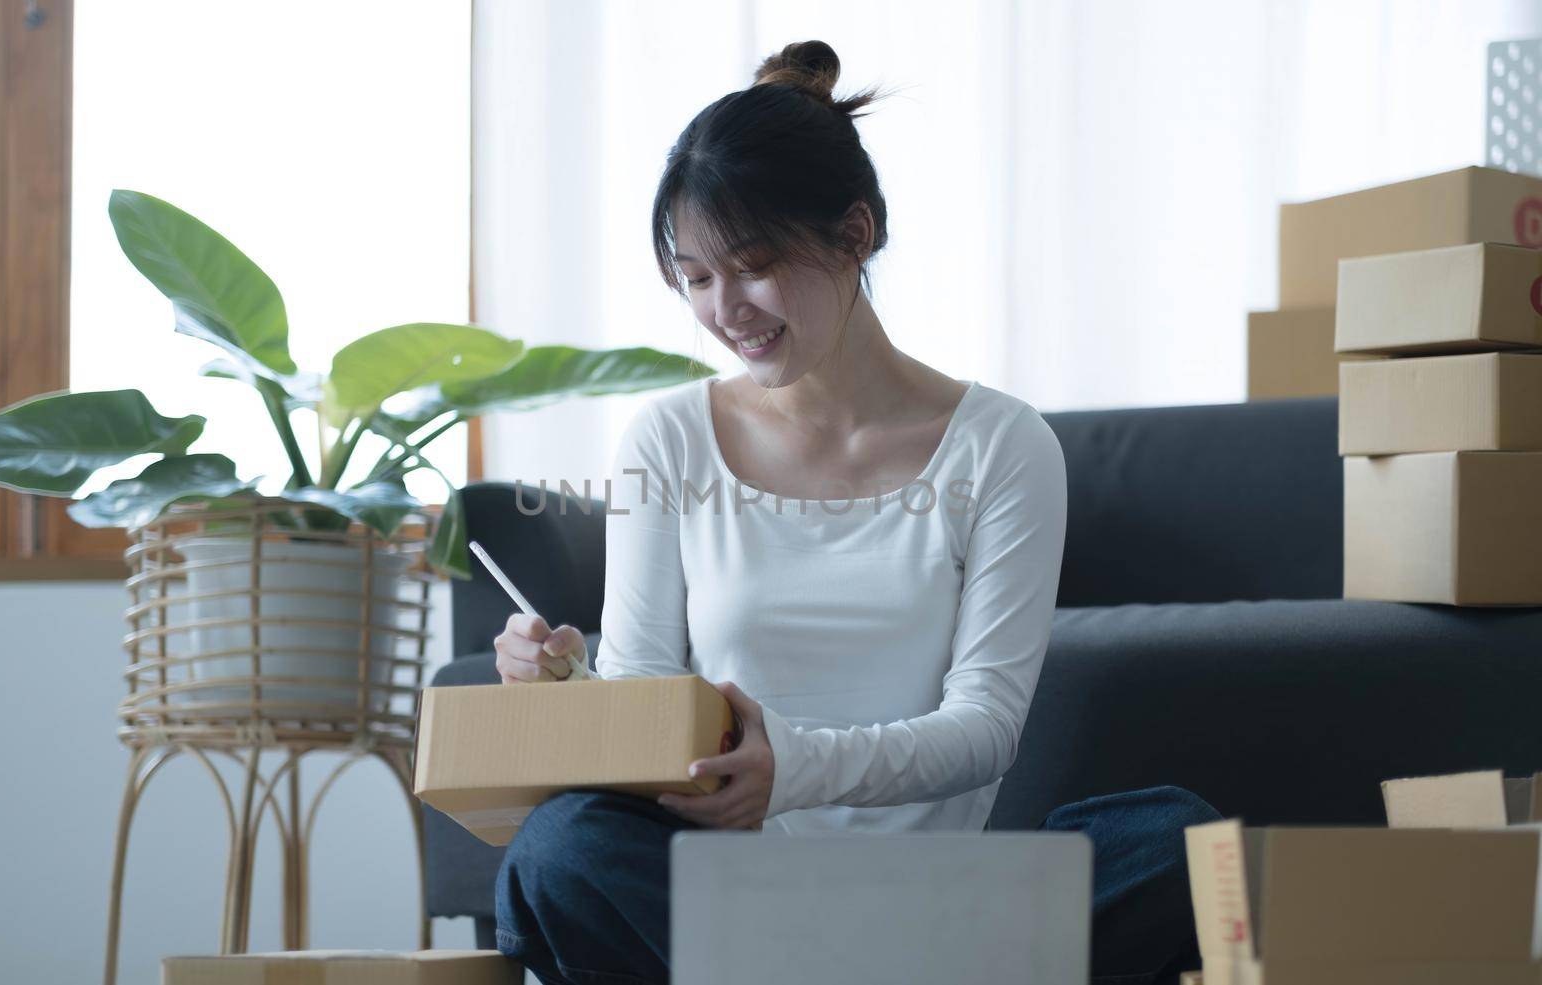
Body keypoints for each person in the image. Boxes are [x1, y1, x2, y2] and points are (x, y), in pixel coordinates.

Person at [488, 39, 1220, 985]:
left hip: (936, 900)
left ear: (855, 233)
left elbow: (986, 726)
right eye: (695, 277)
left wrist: (793, 766)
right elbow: (644, 697)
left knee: (1176, 841)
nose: (725, 310)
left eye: (751, 266)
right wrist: (568, 687)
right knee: (564, 846)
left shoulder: (1002, 445)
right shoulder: (667, 439)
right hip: (732, 893)